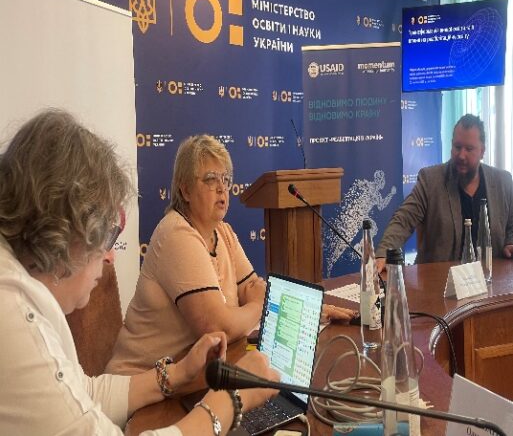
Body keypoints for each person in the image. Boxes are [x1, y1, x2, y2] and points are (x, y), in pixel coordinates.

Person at [0, 110, 279, 436]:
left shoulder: (17, 292)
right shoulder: (12, 315)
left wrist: (178, 374)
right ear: (61, 234)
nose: (110, 257)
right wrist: (231, 400)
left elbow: (84, 393)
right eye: (106, 236)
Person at [106, 134, 355, 374]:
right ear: (185, 190)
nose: (222, 189)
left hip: (192, 377)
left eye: (225, 179)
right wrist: (263, 305)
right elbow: (218, 327)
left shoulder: (223, 232)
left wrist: (305, 313)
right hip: (144, 381)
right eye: (210, 179)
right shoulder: (176, 233)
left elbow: (253, 287)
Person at [375, 114, 513, 273]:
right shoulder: (431, 180)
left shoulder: (503, 181)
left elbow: (511, 224)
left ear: (482, 151)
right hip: (439, 281)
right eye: (457, 147)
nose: (461, 155)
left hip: (491, 279)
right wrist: (384, 252)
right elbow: (404, 219)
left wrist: (510, 242)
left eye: (469, 149)